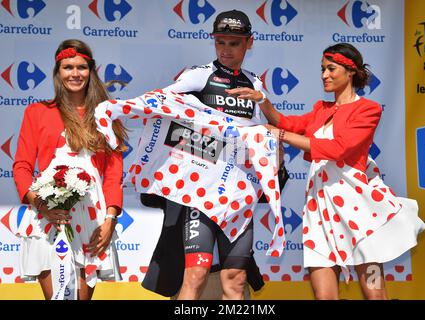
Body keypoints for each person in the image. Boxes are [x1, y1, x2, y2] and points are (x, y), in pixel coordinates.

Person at [227, 43, 425, 299]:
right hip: (319, 211)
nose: (324, 75)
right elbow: (286, 123)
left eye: (331, 68)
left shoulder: (368, 109)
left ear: (350, 71)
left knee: (375, 295)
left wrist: (282, 135)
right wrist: (263, 100)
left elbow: (338, 149)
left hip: (360, 214)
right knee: (325, 297)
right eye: (322, 69)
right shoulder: (321, 109)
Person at [141, 9, 287, 300]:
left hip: (238, 196)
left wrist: (266, 112)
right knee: (195, 275)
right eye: (220, 42)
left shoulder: (255, 83)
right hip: (201, 195)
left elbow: (276, 130)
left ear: (249, 43)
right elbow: (159, 104)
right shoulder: (198, 75)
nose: (226, 50)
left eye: (234, 43)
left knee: (235, 278)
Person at [13, 39, 127, 300]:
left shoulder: (106, 115)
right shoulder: (37, 112)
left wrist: (110, 220)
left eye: (81, 67)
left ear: (91, 71)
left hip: (92, 219)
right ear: (58, 72)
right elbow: (22, 166)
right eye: (67, 67)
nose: (75, 73)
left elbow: (113, 175)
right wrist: (41, 204)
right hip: (48, 216)